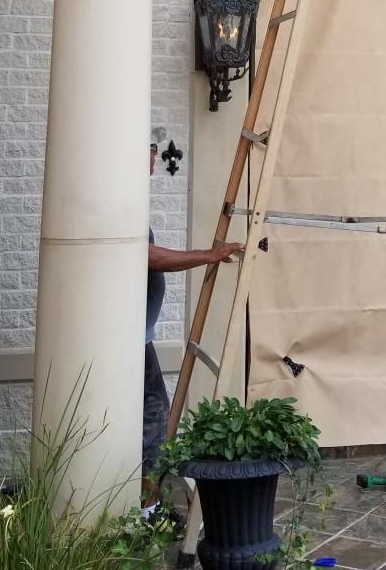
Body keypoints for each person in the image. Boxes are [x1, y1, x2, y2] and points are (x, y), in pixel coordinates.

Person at [143, 139, 243, 506]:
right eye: (147, 149)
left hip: (139, 337)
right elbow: (149, 257)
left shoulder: (129, 195)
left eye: (155, 148)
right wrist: (210, 255)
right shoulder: (118, 196)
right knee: (153, 419)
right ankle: (146, 507)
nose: (154, 156)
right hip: (131, 341)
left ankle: (146, 502)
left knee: (152, 418)